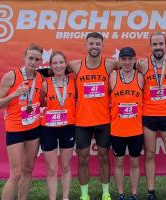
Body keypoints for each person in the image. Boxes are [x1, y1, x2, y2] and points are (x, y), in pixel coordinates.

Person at [68, 32, 117, 200]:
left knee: (104, 157)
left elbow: (131, 65)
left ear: (102, 45)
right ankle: (84, 196)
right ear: (86, 45)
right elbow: (54, 70)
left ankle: (105, 194)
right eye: (91, 43)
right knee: (83, 158)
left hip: (103, 120)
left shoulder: (110, 64)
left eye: (97, 43)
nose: (94, 47)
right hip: (82, 121)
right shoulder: (75, 65)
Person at [0, 44, 43, 200]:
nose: (33, 62)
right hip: (15, 128)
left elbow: (37, 100)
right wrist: (14, 94)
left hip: (33, 127)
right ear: (24, 57)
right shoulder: (12, 76)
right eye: (30, 58)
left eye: (37, 59)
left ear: (41, 61)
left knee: (28, 169)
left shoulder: (40, 77)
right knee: (15, 173)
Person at [137, 32, 166, 200]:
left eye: (160, 44)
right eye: (154, 44)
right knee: (149, 155)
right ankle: (151, 192)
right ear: (150, 46)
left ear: (165, 44)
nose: (158, 47)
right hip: (148, 115)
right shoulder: (142, 64)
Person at [40, 51, 76, 200]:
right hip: (48, 129)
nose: (58, 65)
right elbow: (40, 102)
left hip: (68, 128)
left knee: (66, 166)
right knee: (52, 169)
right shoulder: (45, 84)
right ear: (50, 66)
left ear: (65, 64)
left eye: (61, 62)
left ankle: (65, 197)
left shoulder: (74, 83)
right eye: (55, 63)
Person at [109, 47, 144, 200]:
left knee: (135, 163)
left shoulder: (141, 77)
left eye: (130, 59)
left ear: (135, 59)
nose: (127, 62)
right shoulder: (113, 76)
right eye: (124, 59)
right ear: (119, 60)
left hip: (136, 130)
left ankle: (134, 194)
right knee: (119, 164)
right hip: (117, 130)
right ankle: (121, 194)